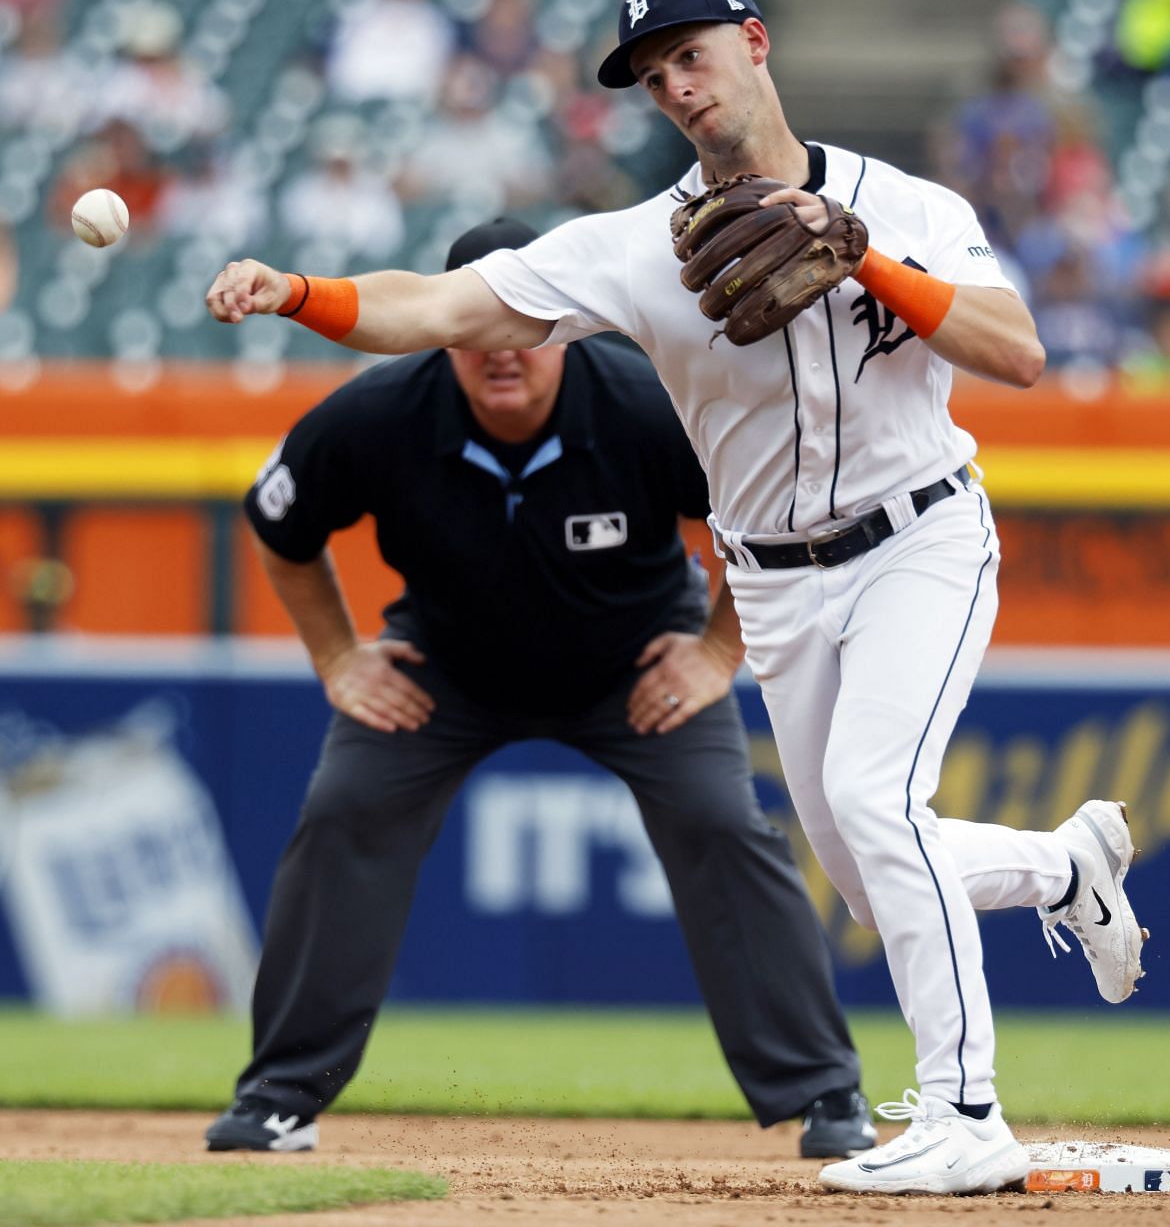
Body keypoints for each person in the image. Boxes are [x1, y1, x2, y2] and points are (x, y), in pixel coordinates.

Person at [205, 0, 1148, 1196]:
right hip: (772, 581)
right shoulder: (634, 248)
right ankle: (1064, 870)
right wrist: (300, 295)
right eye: (656, 80)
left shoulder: (902, 202)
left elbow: (1016, 350)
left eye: (693, 58)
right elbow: (433, 304)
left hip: (921, 538)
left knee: (876, 801)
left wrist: (862, 257)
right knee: (868, 872)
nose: (678, 88)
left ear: (755, 45)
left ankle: (967, 1112)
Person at [203, 218, 875, 1162]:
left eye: (522, 322)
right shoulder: (378, 417)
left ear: (563, 324)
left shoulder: (650, 406)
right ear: (442, 329)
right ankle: (280, 1096)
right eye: (474, 324)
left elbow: (775, 517)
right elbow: (278, 524)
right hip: (446, 669)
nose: (499, 349)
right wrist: (339, 658)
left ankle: (824, 1095)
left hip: (635, 667)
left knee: (724, 825)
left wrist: (718, 651)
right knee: (345, 811)